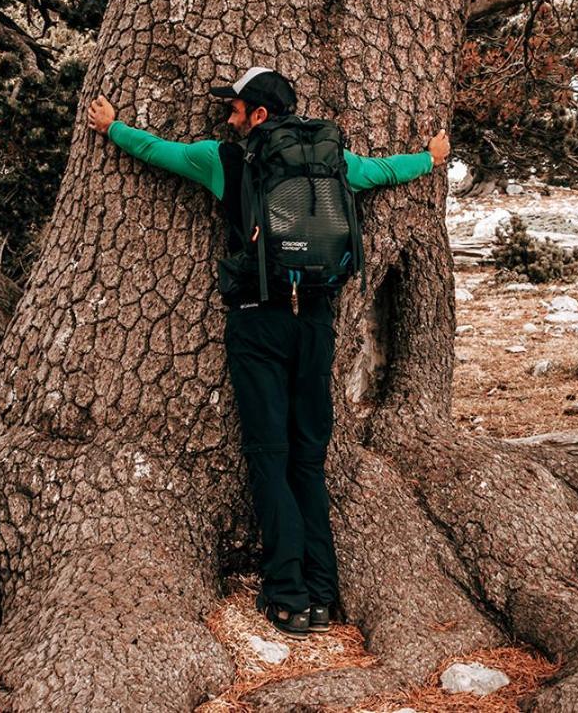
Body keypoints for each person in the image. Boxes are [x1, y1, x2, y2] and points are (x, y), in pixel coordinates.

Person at [87, 66, 450, 639]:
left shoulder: (225, 161)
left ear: (258, 115)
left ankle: (286, 594)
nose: (226, 115)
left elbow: (159, 153)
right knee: (308, 458)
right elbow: (383, 172)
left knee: (268, 454)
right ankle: (323, 592)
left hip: (259, 323)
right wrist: (428, 159)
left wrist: (113, 129)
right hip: (318, 323)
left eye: (234, 107)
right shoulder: (332, 164)